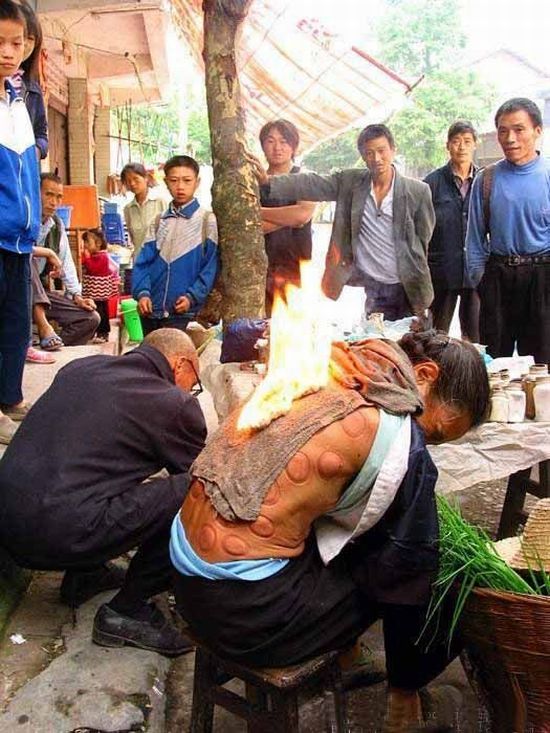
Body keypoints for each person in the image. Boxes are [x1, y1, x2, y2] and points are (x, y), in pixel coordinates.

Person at [171, 330, 489, 730]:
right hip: (249, 616)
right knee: (425, 569)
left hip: (184, 580)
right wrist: (406, 681)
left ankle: (348, 657)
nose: (427, 441)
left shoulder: (334, 363)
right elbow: (405, 569)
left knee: (350, 535)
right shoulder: (396, 431)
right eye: (435, 432)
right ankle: (403, 702)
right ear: (424, 373)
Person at [0, 329, 207, 656]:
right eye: (194, 377)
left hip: (8, 524)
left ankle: (84, 575)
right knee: (195, 489)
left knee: (98, 473)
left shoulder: (81, 368)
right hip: (56, 534)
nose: (191, 388)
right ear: (180, 365)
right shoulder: (174, 404)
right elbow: (201, 474)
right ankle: (127, 609)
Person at [249, 123, 435, 321]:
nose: (376, 159)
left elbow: (424, 237)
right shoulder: (351, 182)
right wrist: (269, 183)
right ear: (363, 156)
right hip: (375, 289)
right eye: (369, 153)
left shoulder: (418, 192)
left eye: (381, 151)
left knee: (413, 346)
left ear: (393, 150)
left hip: (409, 285)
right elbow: (313, 183)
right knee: (379, 343)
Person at [466, 97, 550, 363]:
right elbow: (475, 238)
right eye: (503, 131)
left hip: (543, 278)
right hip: (498, 278)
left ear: (538, 131)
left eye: (519, 129)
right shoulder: (487, 179)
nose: (510, 138)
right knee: (496, 359)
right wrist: (481, 281)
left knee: (542, 360)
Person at [0, 0, 41, 442]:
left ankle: (9, 398)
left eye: (17, 42)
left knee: (15, 323)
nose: (9, 52)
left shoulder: (18, 100)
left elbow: (28, 171)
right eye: (0, 42)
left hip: (18, 240)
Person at [132, 154, 219, 335]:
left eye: (187, 180)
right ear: (166, 182)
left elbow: (210, 267)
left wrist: (192, 297)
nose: (180, 187)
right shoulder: (158, 222)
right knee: (150, 360)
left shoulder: (206, 221)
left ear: (197, 182)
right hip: (151, 311)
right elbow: (142, 263)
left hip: (185, 313)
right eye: (174, 180)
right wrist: (143, 293)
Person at [424, 121, 480, 342]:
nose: (462, 147)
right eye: (456, 142)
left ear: (475, 144)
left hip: (474, 272)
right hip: (442, 271)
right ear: (447, 146)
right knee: (437, 335)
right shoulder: (432, 183)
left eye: (467, 141)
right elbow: (422, 229)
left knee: (475, 337)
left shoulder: (483, 181)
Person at [34, 172, 101, 347]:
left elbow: (66, 262)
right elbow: (18, 251)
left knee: (90, 318)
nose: (54, 202)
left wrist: (77, 296)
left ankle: (51, 346)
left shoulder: (56, 224)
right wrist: (48, 253)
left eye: (58, 197)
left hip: (39, 295)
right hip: (13, 292)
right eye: (48, 194)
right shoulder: (23, 219)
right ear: (35, 192)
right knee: (25, 266)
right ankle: (44, 328)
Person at [258, 120, 315, 314]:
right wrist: (288, 217)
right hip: (260, 270)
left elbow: (302, 215)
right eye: (270, 141)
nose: (277, 148)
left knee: (293, 333)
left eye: (284, 141)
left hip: (296, 270)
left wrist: (259, 212)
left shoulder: (305, 179)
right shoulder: (254, 182)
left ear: (294, 146)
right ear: (263, 146)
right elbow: (251, 226)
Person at [122, 162, 167, 261]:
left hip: (160, 261)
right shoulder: (128, 209)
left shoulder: (161, 202)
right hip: (139, 261)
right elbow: (133, 238)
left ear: (145, 178)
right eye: (128, 181)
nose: (132, 183)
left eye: (135, 179)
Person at [82, 228, 120, 342]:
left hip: (98, 290)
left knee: (100, 312)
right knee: (100, 310)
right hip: (96, 290)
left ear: (98, 244)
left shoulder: (101, 256)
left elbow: (92, 269)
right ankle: (98, 332)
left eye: (88, 242)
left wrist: (87, 258)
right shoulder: (101, 255)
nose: (85, 245)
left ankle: (102, 333)